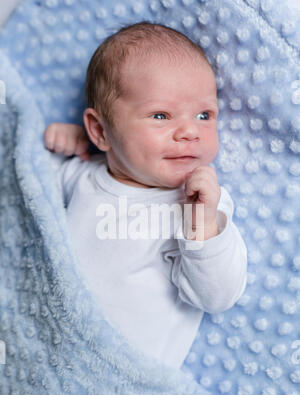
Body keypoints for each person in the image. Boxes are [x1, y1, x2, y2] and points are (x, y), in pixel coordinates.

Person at [44, 21, 247, 369]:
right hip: (49, 347)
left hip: (124, 373)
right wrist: (57, 145)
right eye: (160, 115)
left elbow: (217, 297)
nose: (188, 132)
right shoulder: (81, 176)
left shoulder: (203, 207)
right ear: (100, 130)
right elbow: (24, 195)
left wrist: (204, 227)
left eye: (204, 115)